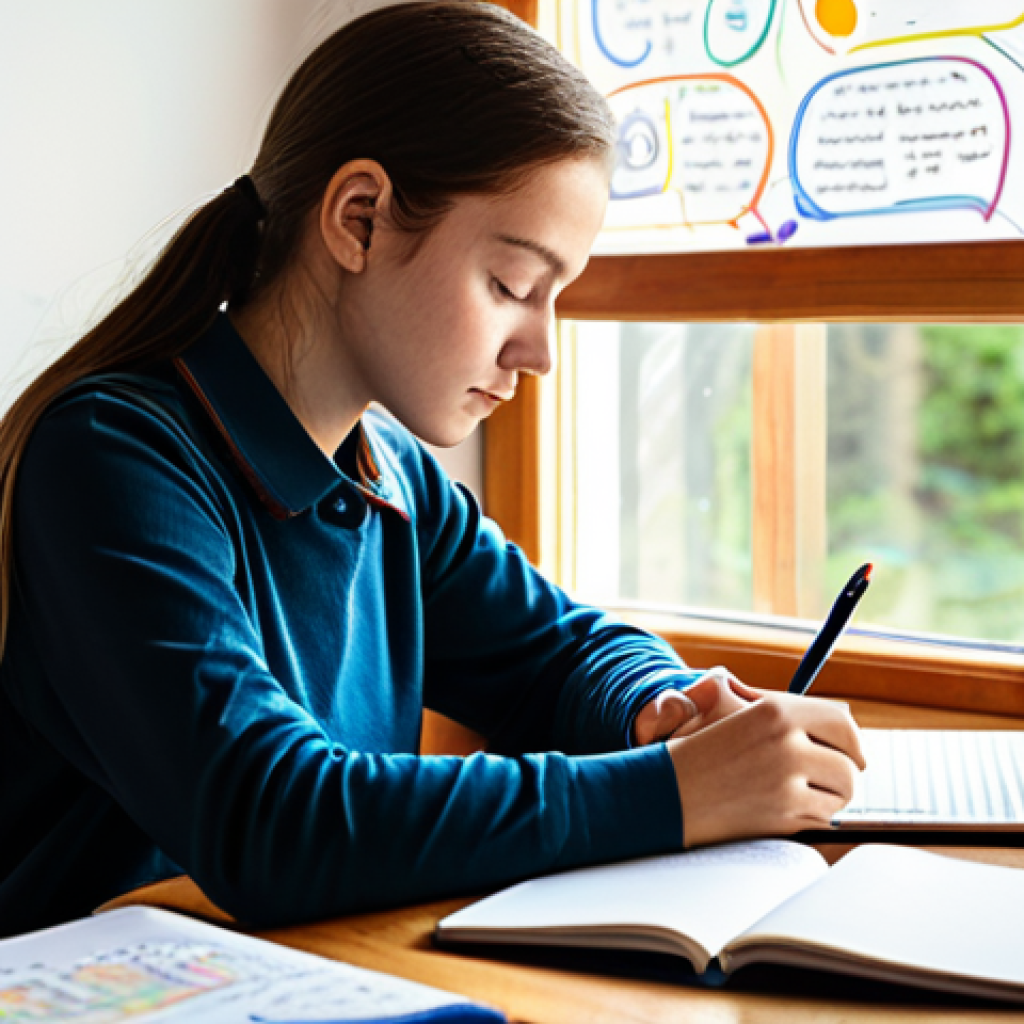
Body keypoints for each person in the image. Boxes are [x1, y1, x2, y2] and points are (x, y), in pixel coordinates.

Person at [0, 0, 864, 938]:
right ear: (360, 218)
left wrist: (657, 707)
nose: (540, 352)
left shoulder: (390, 476)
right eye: (511, 287)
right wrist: (674, 792)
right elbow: (267, 818)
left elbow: (561, 655)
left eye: (555, 297)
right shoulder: (111, 458)